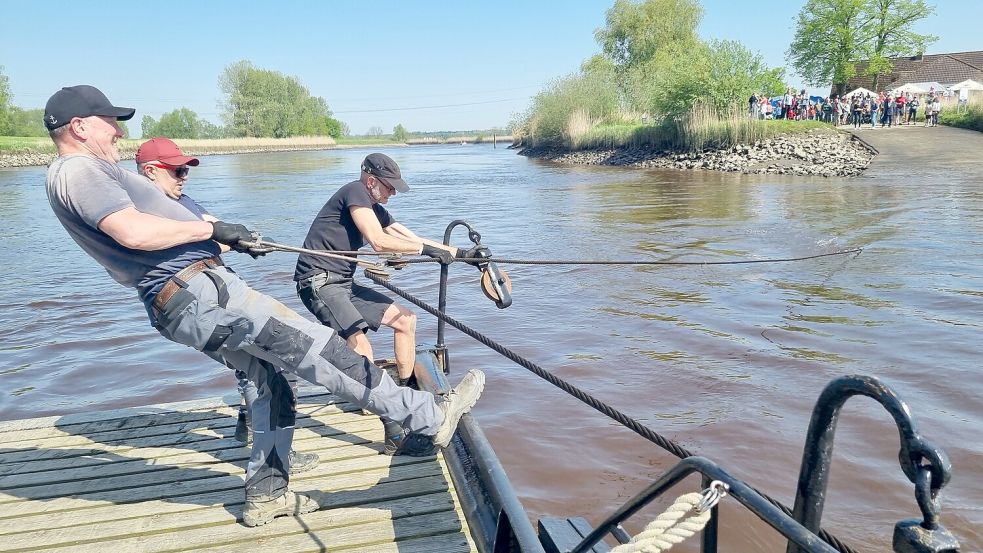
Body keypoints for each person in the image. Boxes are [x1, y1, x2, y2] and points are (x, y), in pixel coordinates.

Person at [42, 85, 485, 528]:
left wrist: (223, 235)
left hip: (184, 301)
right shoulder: (79, 169)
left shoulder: (82, 172)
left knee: (271, 383)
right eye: (110, 122)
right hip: (200, 293)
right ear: (79, 127)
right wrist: (209, 231)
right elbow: (134, 233)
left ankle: (267, 496)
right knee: (319, 350)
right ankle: (427, 414)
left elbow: (157, 227)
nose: (119, 131)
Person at [135, 137, 318, 471]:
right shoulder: (145, 211)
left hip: (207, 297)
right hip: (192, 306)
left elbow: (214, 234)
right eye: (176, 170)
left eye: (186, 169)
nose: (183, 176)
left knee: (254, 367)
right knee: (274, 363)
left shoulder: (181, 201)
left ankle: (252, 431)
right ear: (149, 171)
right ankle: (272, 462)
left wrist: (250, 242)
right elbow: (178, 251)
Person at [294, 153, 487, 389]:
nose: (393, 193)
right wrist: (424, 250)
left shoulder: (374, 207)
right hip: (319, 282)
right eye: (390, 187)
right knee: (360, 344)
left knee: (406, 320)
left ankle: (405, 389)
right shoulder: (355, 191)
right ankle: (381, 406)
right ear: (371, 180)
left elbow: (411, 238)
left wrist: (464, 255)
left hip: (343, 283)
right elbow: (378, 241)